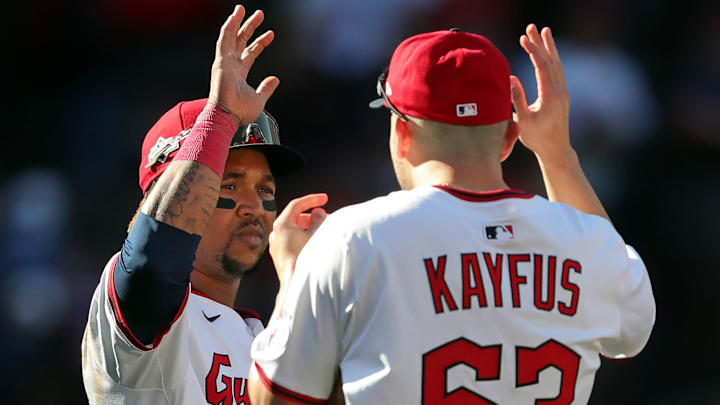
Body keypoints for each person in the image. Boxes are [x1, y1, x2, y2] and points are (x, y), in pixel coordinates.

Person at [247, 24, 656, 404]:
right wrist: (557, 154)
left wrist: (293, 276)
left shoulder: (353, 236)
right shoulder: (589, 242)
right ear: (511, 137)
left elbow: (275, 397)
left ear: (401, 133)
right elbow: (629, 335)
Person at [81, 5, 326, 404]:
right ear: (165, 191)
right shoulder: (141, 315)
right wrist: (221, 117)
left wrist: (303, 286)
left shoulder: (261, 337)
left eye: (265, 190)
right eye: (229, 184)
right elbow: (153, 258)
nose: (254, 206)